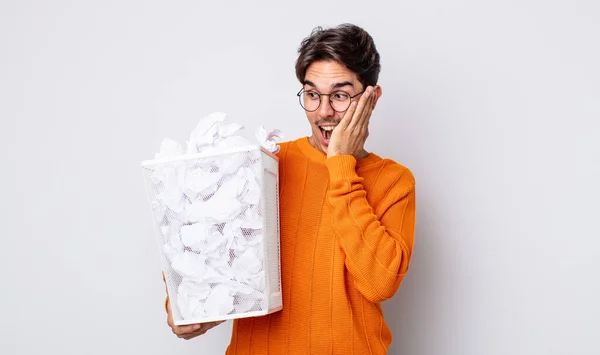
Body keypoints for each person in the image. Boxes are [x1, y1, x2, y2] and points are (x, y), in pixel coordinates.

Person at [164, 23, 416, 354]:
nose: (324, 111)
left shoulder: (395, 180)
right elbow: (214, 258)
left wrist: (341, 164)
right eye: (312, 95)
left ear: (371, 96)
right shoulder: (264, 166)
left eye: (340, 95)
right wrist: (186, 302)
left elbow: (379, 282)